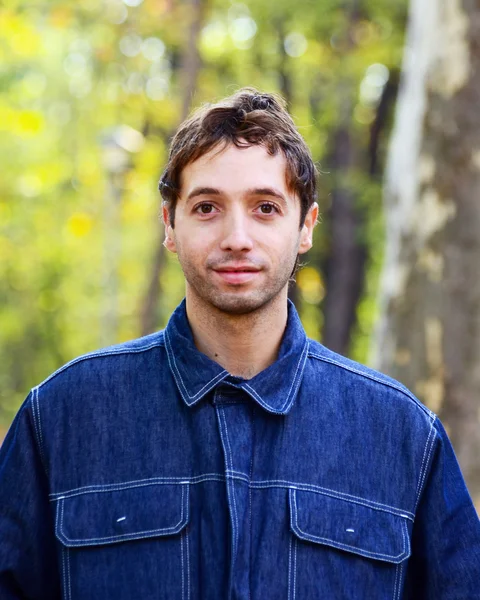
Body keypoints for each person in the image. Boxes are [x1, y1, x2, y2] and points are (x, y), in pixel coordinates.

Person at [0, 88, 479, 600]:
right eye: (207, 207)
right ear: (169, 225)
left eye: (265, 207)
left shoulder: (402, 434)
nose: (237, 237)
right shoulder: (61, 417)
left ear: (305, 227)